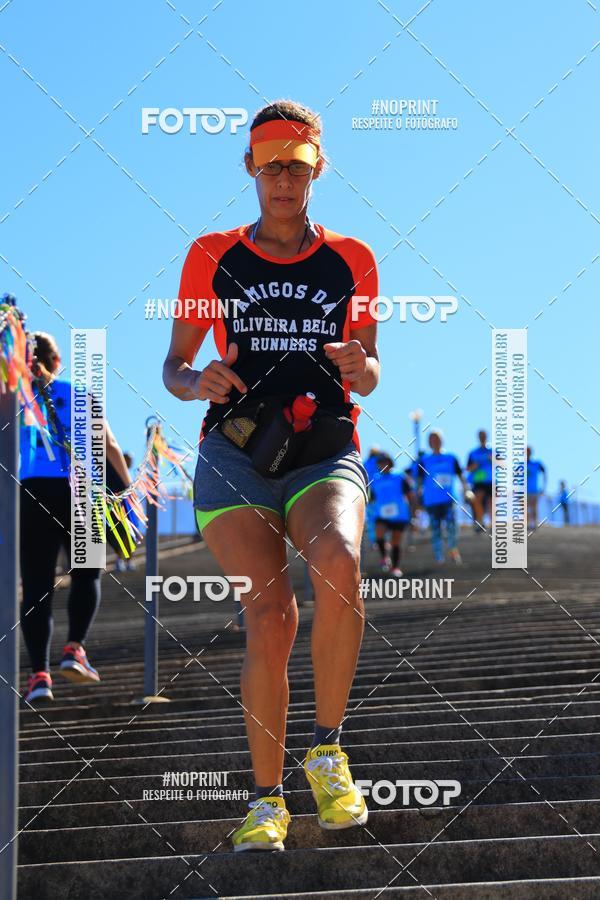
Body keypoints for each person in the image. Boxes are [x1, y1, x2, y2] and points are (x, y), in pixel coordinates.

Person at [163, 99, 380, 852]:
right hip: (235, 453)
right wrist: (195, 381)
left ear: (318, 170)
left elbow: (371, 370)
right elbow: (174, 365)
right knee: (272, 614)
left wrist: (360, 363)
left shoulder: (353, 258)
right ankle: (266, 802)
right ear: (250, 168)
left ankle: (327, 750)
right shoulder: (210, 254)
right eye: (271, 165)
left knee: (341, 562)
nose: (284, 179)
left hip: (324, 449)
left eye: (298, 165)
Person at [19, 332, 132, 703]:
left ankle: (39, 676)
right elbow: (110, 446)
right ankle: (75, 649)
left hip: (32, 492)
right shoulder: (78, 393)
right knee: (86, 573)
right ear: (56, 362)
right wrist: (128, 496)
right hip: (81, 489)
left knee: (36, 587)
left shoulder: (15, 400)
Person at [417, 430, 469, 565]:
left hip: (449, 498)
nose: (435, 441)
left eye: (437, 438)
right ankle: (439, 555)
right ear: (429, 442)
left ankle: (453, 550)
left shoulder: (451, 457)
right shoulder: (424, 460)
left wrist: (466, 490)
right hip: (431, 500)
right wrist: (418, 496)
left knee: (452, 526)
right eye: (432, 439)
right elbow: (418, 480)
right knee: (435, 528)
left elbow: (460, 475)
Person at [369, 453, 414, 576]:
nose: (382, 464)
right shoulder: (375, 479)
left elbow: (410, 494)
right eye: (380, 462)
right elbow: (371, 497)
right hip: (381, 514)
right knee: (379, 533)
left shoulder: (399, 476)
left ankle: (395, 567)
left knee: (395, 541)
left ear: (389, 463)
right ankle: (384, 557)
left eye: (384, 462)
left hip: (399, 515)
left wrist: (413, 512)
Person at [466, 430, 493, 532]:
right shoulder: (473, 453)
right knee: (477, 500)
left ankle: (493, 524)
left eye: (483, 435)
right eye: (480, 436)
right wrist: (474, 466)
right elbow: (468, 468)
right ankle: (480, 522)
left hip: (491, 481)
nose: (482, 437)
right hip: (478, 481)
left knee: (491, 503)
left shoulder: (493, 451)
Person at [526, 446, 547, 528]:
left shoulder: (536, 464)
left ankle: (534, 524)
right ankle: (527, 524)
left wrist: (544, 486)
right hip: (524, 491)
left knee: (533, 508)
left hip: (534, 490)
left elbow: (544, 472)